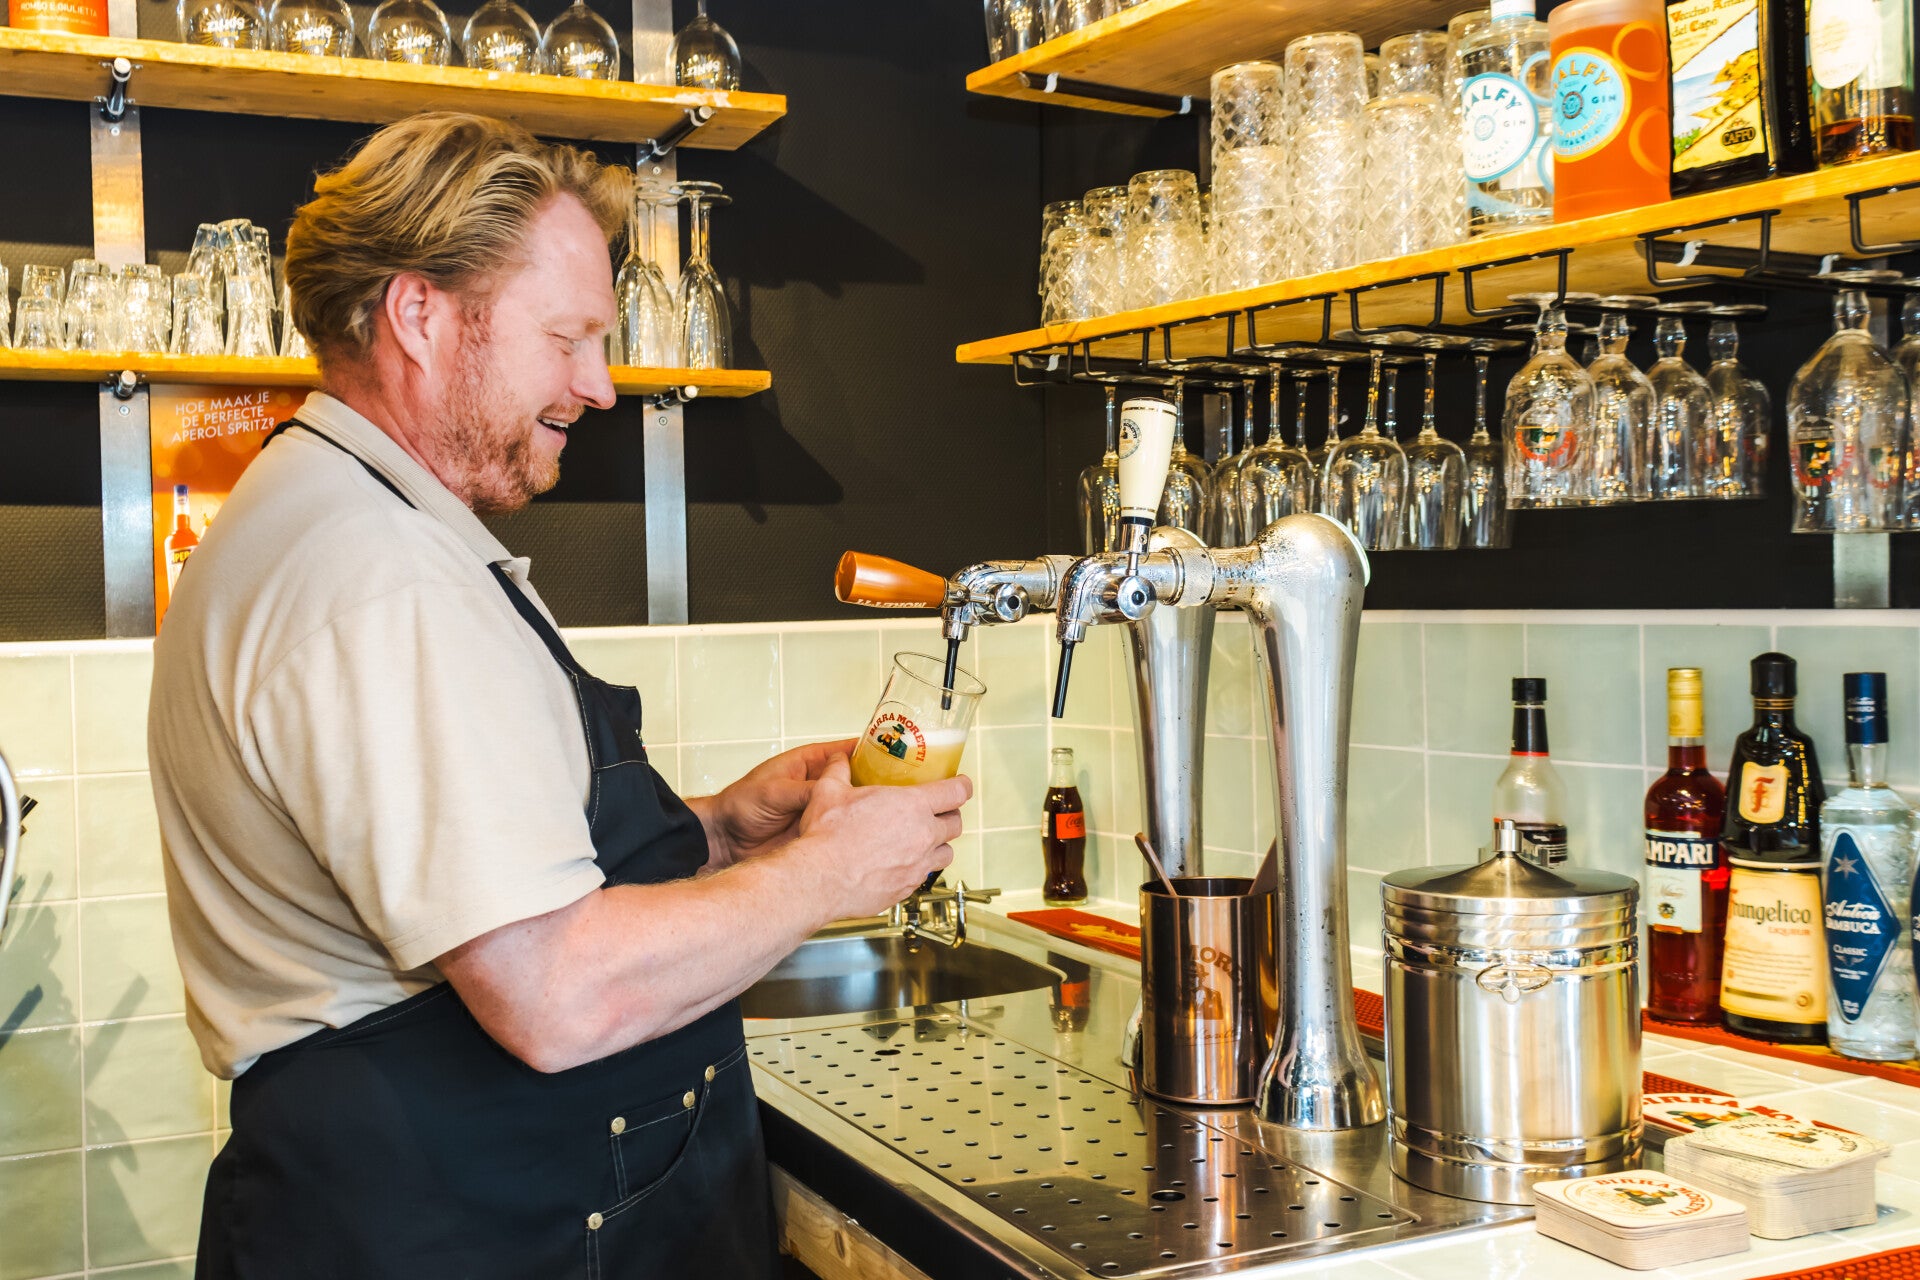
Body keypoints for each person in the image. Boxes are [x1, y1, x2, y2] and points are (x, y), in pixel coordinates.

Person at [147, 112, 968, 1278]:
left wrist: (719, 830)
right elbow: (553, 993)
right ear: (420, 315)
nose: (602, 384)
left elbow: (459, 862)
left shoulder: (337, 513)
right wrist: (833, 868)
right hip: (450, 1229)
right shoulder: (376, 575)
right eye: (569, 337)